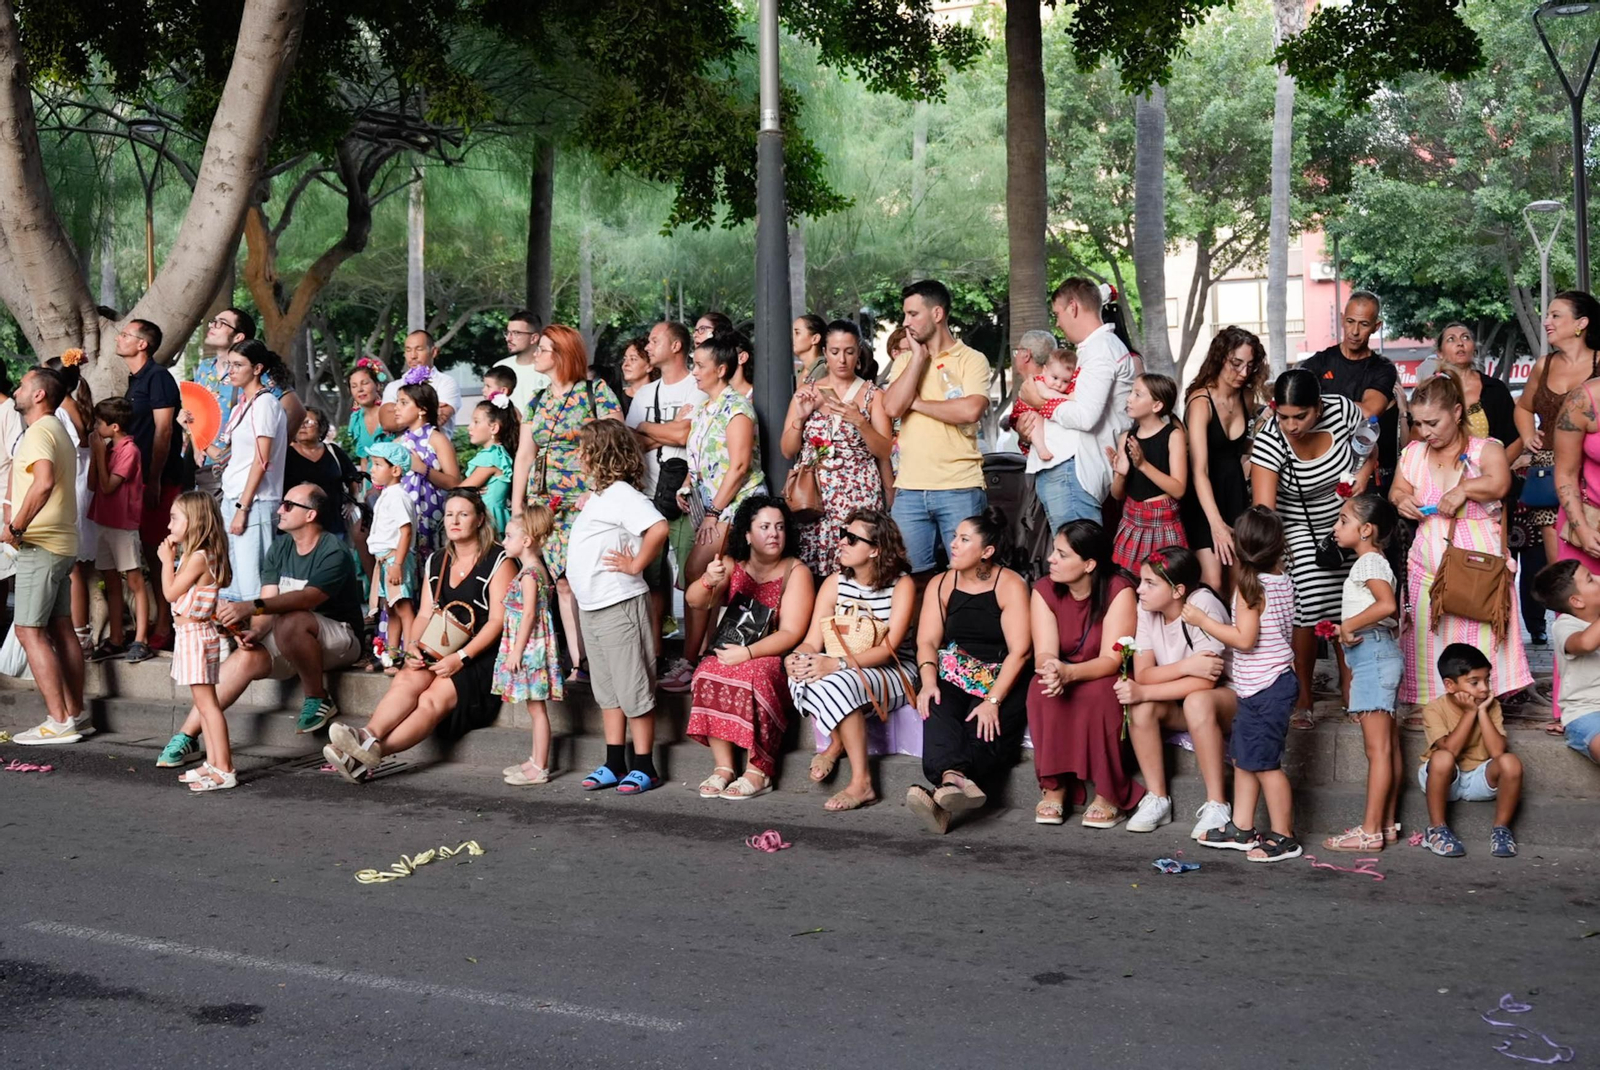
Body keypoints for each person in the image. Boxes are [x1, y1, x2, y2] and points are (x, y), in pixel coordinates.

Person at [322, 489, 514, 780]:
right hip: (439, 646)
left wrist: (461, 658)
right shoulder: (438, 560)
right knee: (407, 678)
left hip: (481, 657)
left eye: (463, 514)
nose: (454, 521)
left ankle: (370, 753)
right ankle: (365, 735)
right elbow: (424, 614)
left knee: (432, 699)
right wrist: (413, 646)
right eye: (450, 514)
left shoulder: (500, 560)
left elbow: (498, 621)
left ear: (479, 519)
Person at [1393, 371, 1531, 705]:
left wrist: (1465, 489)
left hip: (1478, 570)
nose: (1425, 431)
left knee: (1479, 635)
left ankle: (1481, 700)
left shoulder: (1486, 449)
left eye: (1432, 423)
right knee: (1427, 634)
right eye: (1418, 423)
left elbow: (1500, 483)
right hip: (1427, 567)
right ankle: (1432, 702)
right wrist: (1402, 500)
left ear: (1456, 412)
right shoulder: (1413, 453)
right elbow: (1397, 489)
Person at [1251, 368, 1370, 730]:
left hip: (1344, 518)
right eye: (1284, 416)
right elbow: (1266, 512)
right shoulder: (1271, 440)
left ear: (1319, 406)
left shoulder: (1344, 411)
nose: (1291, 425)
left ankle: (1351, 686)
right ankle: (1303, 694)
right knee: (1314, 597)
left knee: (1351, 598)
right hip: (1295, 524)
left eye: (1300, 416)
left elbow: (1370, 447)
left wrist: (1361, 480)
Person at [1183, 508, 1303, 862]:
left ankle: (1284, 836)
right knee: (1244, 758)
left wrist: (1203, 620)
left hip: (1266, 687)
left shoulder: (1251, 588)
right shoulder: (1280, 578)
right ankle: (1242, 827)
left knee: (1265, 765)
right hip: (1262, 685)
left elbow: (1245, 639)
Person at [906, 508, 1031, 834]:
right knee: (935, 703)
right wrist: (928, 682)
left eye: (964, 539)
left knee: (983, 726)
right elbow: (927, 641)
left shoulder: (1009, 584)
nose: (953, 545)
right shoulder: (940, 583)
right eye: (954, 537)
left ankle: (943, 795)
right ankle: (954, 783)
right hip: (955, 668)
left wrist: (993, 701)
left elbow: (1021, 650)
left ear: (986, 551)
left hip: (1002, 673)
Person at [685, 495, 815, 800]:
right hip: (734, 650)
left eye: (780, 527)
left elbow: (792, 633)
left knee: (755, 673)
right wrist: (708, 580)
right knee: (707, 669)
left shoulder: (796, 571)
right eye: (765, 527)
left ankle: (759, 770)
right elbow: (694, 601)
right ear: (747, 534)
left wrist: (748, 653)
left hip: (775, 656)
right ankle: (724, 767)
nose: (774, 534)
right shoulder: (732, 565)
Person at [787, 508, 917, 811]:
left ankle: (863, 783)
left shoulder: (902, 585)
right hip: (843, 669)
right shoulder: (835, 583)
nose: (842, 541)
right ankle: (837, 741)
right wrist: (796, 658)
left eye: (852, 539)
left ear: (875, 550)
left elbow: (889, 650)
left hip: (894, 670)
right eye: (843, 534)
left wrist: (837, 664)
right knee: (800, 675)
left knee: (837, 681)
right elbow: (812, 641)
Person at [565, 420, 668, 794]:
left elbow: (658, 527)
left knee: (633, 688)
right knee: (608, 690)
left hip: (618, 603)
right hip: (594, 606)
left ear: (601, 454)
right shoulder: (603, 495)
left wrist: (636, 564)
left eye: (584, 448)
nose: (579, 455)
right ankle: (614, 762)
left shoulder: (624, 494)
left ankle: (645, 765)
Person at [1026, 519, 1141, 828]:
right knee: (1040, 688)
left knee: (1102, 693)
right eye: (1054, 551)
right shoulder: (1044, 589)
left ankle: (1109, 793)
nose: (1051, 559)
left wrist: (1070, 673)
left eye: (1062, 554)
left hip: (1102, 671)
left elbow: (1111, 660)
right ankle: (1054, 786)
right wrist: (1052, 669)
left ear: (1089, 564)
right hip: (1064, 668)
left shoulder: (1119, 590)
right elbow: (1045, 651)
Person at [669, 331, 767, 689]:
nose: (694, 372)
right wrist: (686, 486)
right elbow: (699, 460)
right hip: (710, 507)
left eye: (699, 366)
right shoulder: (704, 408)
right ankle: (700, 657)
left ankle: (690, 661)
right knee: (708, 576)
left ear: (721, 369)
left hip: (735, 507)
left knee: (696, 572)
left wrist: (713, 511)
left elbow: (739, 467)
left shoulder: (737, 408)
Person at [1115, 546, 1231, 835]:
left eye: (1150, 583)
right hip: (1180, 695)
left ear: (1178, 590)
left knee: (1197, 701)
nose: (1139, 590)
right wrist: (1187, 665)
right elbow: (1144, 674)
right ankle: (1158, 798)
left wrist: (1144, 691)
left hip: (1226, 697)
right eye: (1141, 581)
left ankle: (1217, 803)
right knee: (1141, 707)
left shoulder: (1201, 604)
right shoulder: (1146, 609)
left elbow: (1207, 681)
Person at [882, 279, 990, 578]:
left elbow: (969, 410)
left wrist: (916, 403)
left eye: (913, 314)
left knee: (970, 576)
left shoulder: (972, 359)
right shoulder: (906, 361)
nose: (906, 322)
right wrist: (918, 359)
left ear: (937, 314)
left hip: (960, 487)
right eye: (905, 315)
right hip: (909, 490)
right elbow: (892, 408)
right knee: (907, 579)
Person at [6, 368, 87, 746]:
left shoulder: (39, 431)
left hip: (41, 544)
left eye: (23, 385)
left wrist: (16, 527)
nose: (16, 390)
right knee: (60, 628)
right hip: (61, 542)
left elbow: (43, 482)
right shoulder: (56, 428)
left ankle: (58, 721)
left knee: (28, 630)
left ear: (39, 395)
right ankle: (75, 714)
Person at [1016, 277, 1135, 530]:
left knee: (1075, 550)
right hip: (1067, 469)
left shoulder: (1101, 349)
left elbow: (1085, 417)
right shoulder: (1093, 349)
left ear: (1073, 307)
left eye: (1057, 313)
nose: (1058, 323)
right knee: (1069, 548)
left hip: (1073, 471)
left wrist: (1039, 402)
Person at [1323, 494, 1405, 853]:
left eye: (1343, 520)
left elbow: (1387, 606)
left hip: (1373, 656)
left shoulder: (1368, 561)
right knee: (1387, 747)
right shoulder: (1376, 561)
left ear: (1366, 529)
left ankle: (1370, 831)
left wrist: (1347, 625)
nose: (1335, 527)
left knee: (1378, 750)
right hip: (1377, 653)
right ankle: (1385, 824)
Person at [626, 320, 706, 677]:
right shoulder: (645, 393)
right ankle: (657, 653)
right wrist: (668, 431)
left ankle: (692, 656)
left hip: (686, 495)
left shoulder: (697, 385)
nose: (648, 346)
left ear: (676, 346)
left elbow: (689, 434)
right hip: (647, 495)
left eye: (655, 340)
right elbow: (632, 441)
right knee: (653, 578)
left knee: (692, 576)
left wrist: (649, 428)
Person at [782, 320, 893, 575]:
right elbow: (787, 450)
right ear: (825, 352)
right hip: (814, 498)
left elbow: (884, 450)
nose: (842, 359)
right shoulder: (807, 392)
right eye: (834, 352)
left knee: (856, 569)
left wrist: (860, 422)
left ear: (858, 353)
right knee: (813, 570)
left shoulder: (873, 395)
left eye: (849, 352)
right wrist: (800, 418)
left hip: (858, 495)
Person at [1517, 291, 1600, 587]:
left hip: (1588, 474)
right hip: (1548, 472)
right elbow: (1523, 407)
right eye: (1547, 315)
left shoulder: (1599, 362)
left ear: (1581, 323)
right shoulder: (1544, 365)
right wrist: (1528, 435)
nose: (1546, 322)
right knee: (1563, 571)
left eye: (1555, 315)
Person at [199, 341, 287, 602]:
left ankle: (260, 627)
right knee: (233, 580)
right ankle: (241, 627)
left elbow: (262, 460)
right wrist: (194, 430)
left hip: (254, 501)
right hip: (234, 496)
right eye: (230, 365)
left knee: (252, 582)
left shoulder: (265, 403)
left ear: (257, 368)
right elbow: (225, 457)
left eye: (238, 365)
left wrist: (243, 507)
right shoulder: (243, 405)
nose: (231, 371)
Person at [1417, 644, 1523, 859]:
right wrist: (1469, 713)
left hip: (1479, 779)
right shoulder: (1434, 709)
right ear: (1450, 685)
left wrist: (1481, 712)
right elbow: (1451, 750)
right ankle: (1436, 830)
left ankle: (1501, 830)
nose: (1484, 689)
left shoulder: (1491, 706)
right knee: (1442, 757)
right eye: (1474, 682)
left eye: (1487, 680)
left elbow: (1497, 751)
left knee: (1510, 761)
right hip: (1444, 779)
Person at [159, 492, 235, 792]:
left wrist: (167, 561)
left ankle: (224, 768)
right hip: (194, 635)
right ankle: (214, 763)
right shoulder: (203, 555)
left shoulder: (198, 557)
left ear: (194, 521)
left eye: (174, 518)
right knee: (204, 705)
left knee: (208, 705)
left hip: (195, 636)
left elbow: (170, 593)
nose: (169, 525)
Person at [1181, 326, 1266, 593]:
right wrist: (1216, 524)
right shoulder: (1200, 402)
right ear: (1220, 358)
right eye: (1236, 364)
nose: (1243, 373)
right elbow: (1199, 470)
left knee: (1239, 581)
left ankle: (1238, 623)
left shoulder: (1246, 397)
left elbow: (1237, 448)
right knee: (1214, 581)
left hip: (1235, 493)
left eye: (1249, 366)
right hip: (1204, 499)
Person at [117, 319, 182, 647]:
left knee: (160, 551)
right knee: (146, 550)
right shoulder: (135, 381)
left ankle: (166, 626)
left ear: (143, 344)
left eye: (126, 334)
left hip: (160, 479)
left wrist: (155, 478)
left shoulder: (159, 378)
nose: (119, 338)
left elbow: (164, 430)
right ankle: (158, 620)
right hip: (136, 480)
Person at [1300, 291, 1402, 490]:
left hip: (1362, 466)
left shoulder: (1382, 368)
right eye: (1350, 321)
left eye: (1363, 324)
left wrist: (1319, 403)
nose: (1354, 331)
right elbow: (1297, 403)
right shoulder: (1319, 363)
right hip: (1320, 464)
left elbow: (1369, 412)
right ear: (1342, 319)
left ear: (1376, 327)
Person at [494, 504, 562, 787]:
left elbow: (530, 615)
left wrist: (516, 651)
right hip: (533, 644)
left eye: (509, 536)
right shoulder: (535, 570)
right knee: (534, 708)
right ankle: (535, 759)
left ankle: (540, 766)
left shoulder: (530, 576)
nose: (504, 541)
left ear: (526, 541)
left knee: (536, 710)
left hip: (530, 647)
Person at [86, 397, 152, 663]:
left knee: (134, 581)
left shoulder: (129, 451)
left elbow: (109, 486)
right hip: (103, 520)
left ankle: (141, 639)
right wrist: (97, 454)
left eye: (99, 423)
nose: (96, 427)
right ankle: (115, 638)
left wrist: (100, 454)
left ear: (114, 426)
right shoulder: (108, 448)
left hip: (123, 525)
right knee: (111, 581)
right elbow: (93, 485)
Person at [1110, 373, 1188, 572]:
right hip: (1131, 521)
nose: (1129, 398)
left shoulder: (1173, 435)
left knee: (1164, 580)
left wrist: (1143, 465)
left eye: (1137, 394)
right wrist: (1121, 475)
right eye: (1131, 392)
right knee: (1127, 580)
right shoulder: (1126, 438)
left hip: (1162, 523)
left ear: (1157, 405)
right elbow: (1116, 494)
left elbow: (1179, 489)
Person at [46, 352, 96, 655]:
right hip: (82, 489)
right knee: (79, 569)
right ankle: (81, 630)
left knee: (73, 569)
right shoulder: (78, 407)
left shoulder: (62, 413)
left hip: (72, 491)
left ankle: (79, 633)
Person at [1534, 559, 1600, 765]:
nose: (1598, 578)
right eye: (1590, 579)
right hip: (1586, 713)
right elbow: (1585, 643)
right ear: (1577, 601)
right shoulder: (1565, 625)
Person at [189, 308, 256, 500]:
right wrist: (197, 445)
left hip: (240, 469)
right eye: (213, 321)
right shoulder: (204, 368)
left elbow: (293, 411)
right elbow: (195, 413)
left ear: (239, 336)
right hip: (205, 467)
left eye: (221, 323)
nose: (212, 326)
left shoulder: (254, 371)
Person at [364, 441, 418, 668]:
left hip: (395, 559)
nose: (372, 469)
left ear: (395, 470)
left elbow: (406, 531)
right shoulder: (388, 494)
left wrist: (397, 564)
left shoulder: (398, 497)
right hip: (385, 560)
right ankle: (392, 655)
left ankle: (410, 655)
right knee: (392, 609)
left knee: (404, 609)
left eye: (378, 464)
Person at [393, 378, 461, 558]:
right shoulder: (398, 442)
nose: (396, 408)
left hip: (430, 515)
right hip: (403, 515)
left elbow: (454, 482)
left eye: (403, 403)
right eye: (397, 402)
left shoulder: (437, 439)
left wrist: (423, 469)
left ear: (422, 409)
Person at [283, 407, 360, 537]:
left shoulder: (333, 451)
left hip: (333, 525)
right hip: (296, 527)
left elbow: (353, 478)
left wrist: (351, 502)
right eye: (299, 422)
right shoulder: (286, 454)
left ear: (321, 427)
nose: (302, 426)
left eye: (308, 422)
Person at [380, 329, 463, 434]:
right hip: (401, 444)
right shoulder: (393, 386)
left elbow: (439, 419)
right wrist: (428, 411)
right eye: (408, 350)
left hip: (435, 444)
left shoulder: (446, 383)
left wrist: (401, 415)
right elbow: (387, 423)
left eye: (419, 349)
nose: (413, 356)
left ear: (433, 352)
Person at [459, 396, 519, 535]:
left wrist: (469, 492)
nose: (469, 427)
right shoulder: (498, 454)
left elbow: (460, 490)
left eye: (476, 422)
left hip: (489, 519)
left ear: (494, 428)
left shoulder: (492, 456)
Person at [1018, 348, 1079, 463]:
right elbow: (1046, 394)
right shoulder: (1039, 381)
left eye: (1065, 381)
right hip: (1030, 412)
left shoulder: (1057, 386)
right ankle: (1041, 448)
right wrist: (1067, 398)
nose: (1058, 384)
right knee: (1034, 420)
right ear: (1045, 370)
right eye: (1055, 378)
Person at [494, 310, 552, 412]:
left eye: (516, 333)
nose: (508, 339)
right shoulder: (499, 368)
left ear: (534, 338)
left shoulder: (549, 370)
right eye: (507, 333)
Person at [345, 357, 391, 465]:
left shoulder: (391, 413)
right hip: (371, 474)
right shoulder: (356, 420)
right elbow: (364, 460)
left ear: (378, 385)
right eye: (354, 386)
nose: (360, 389)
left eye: (365, 383)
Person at [618, 336, 656, 410]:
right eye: (625, 359)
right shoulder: (616, 399)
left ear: (649, 366)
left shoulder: (661, 398)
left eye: (633, 359)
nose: (625, 364)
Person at [793, 313, 827, 379]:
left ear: (815, 339)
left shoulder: (824, 370)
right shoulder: (798, 372)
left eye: (797, 333)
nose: (792, 337)